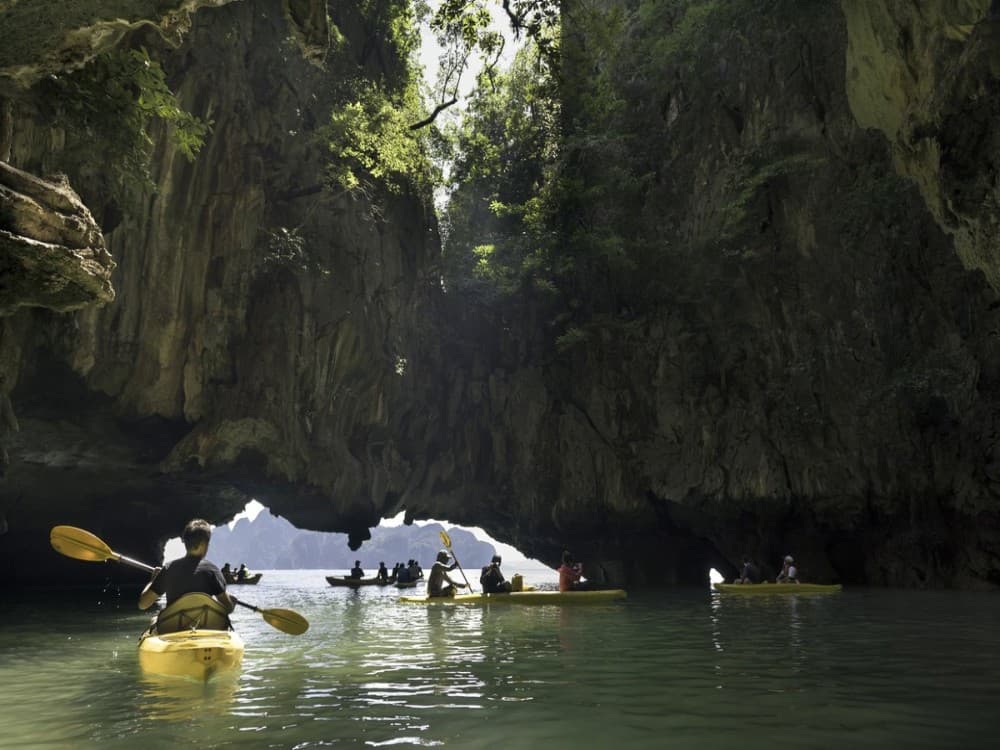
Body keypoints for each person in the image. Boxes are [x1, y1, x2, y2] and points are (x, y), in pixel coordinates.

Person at [138, 518, 235, 612]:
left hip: (174, 621)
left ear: (185, 542)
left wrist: (153, 581)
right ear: (203, 544)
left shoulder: (169, 568)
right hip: (203, 621)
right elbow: (228, 608)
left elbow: (143, 605)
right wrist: (231, 601)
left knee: (155, 619)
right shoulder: (213, 570)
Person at [0, 374, 18, 479]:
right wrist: (14, 426)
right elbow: (8, 413)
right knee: (2, 449)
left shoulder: (3, 397)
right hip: (1, 429)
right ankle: (2, 470)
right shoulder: (3, 397)